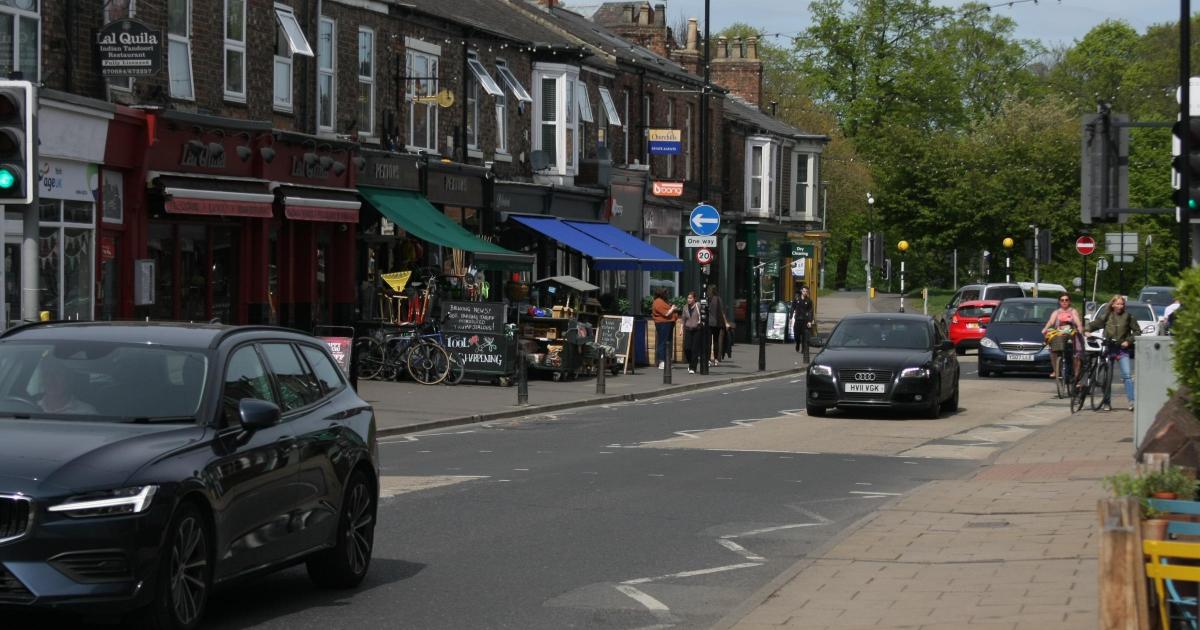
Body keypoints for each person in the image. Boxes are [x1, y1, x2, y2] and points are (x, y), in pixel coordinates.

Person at [1087, 294, 1140, 411]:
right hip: (1109, 348)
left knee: (1127, 376)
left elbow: (1137, 331)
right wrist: (1087, 330)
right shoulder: (1107, 316)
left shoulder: (1128, 317)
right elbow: (1095, 324)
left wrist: (1128, 341)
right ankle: (1107, 402)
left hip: (1122, 350)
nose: (1120, 306)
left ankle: (1132, 402)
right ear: (1113, 304)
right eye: (1117, 303)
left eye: (1122, 304)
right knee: (1108, 377)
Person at [1041, 294, 1083, 382]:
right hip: (1060, 335)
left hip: (1072, 334)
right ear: (1059, 302)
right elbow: (1051, 321)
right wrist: (1045, 328)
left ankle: (1076, 376)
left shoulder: (1073, 311)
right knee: (1053, 350)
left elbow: (1077, 321)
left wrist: (1079, 327)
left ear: (1069, 301)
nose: (1064, 302)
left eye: (1066, 300)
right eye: (1062, 300)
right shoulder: (1056, 312)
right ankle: (1056, 371)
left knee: (1076, 355)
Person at [651, 289, 678, 370]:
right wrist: (672, 308)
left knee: (667, 343)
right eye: (666, 293)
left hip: (667, 324)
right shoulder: (658, 302)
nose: (667, 295)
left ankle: (667, 362)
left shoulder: (662, 301)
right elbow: (666, 313)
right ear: (662, 294)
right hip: (663, 324)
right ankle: (662, 362)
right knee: (663, 342)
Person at [706, 285, 730, 365]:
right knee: (716, 341)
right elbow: (722, 312)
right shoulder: (719, 299)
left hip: (709, 322)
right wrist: (726, 322)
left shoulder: (708, 299)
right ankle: (716, 359)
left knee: (708, 342)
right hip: (717, 323)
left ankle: (708, 359)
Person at [791, 285, 815, 361]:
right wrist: (791, 317)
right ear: (801, 291)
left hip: (805, 320)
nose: (805, 293)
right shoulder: (797, 299)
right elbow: (792, 307)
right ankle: (797, 343)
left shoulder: (809, 301)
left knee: (804, 335)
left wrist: (810, 321)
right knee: (796, 335)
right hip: (798, 319)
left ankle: (803, 349)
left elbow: (811, 311)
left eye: (806, 292)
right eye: (804, 291)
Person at [680, 291, 702, 373]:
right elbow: (683, 319)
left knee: (694, 349)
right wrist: (681, 329)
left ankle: (693, 367)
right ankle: (690, 362)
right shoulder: (685, 307)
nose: (688, 299)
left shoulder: (698, 305)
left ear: (694, 299)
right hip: (688, 329)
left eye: (690, 298)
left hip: (697, 330)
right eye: (688, 298)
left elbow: (703, 312)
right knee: (687, 348)